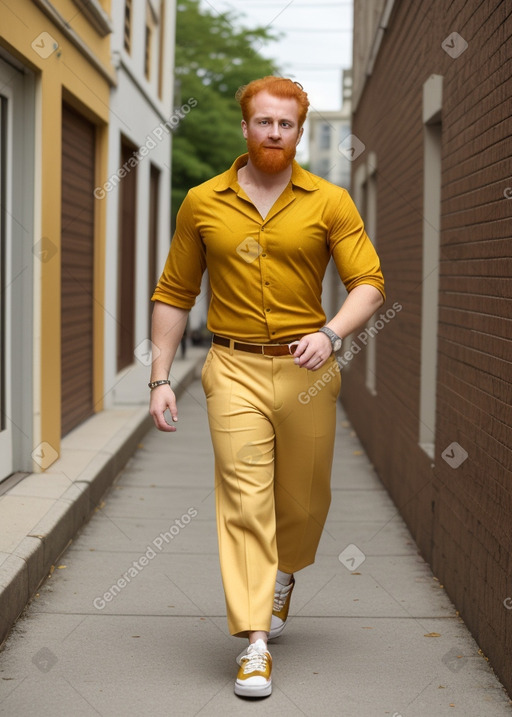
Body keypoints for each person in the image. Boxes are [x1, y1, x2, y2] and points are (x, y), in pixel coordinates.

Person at [149, 76, 385, 699]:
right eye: (264, 122)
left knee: (304, 502)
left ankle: (284, 575)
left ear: (299, 133)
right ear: (246, 127)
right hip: (231, 369)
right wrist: (159, 377)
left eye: (286, 125)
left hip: (308, 368)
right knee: (244, 499)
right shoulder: (202, 201)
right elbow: (175, 292)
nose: (274, 133)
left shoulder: (330, 201)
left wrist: (332, 334)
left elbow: (369, 282)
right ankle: (254, 642)